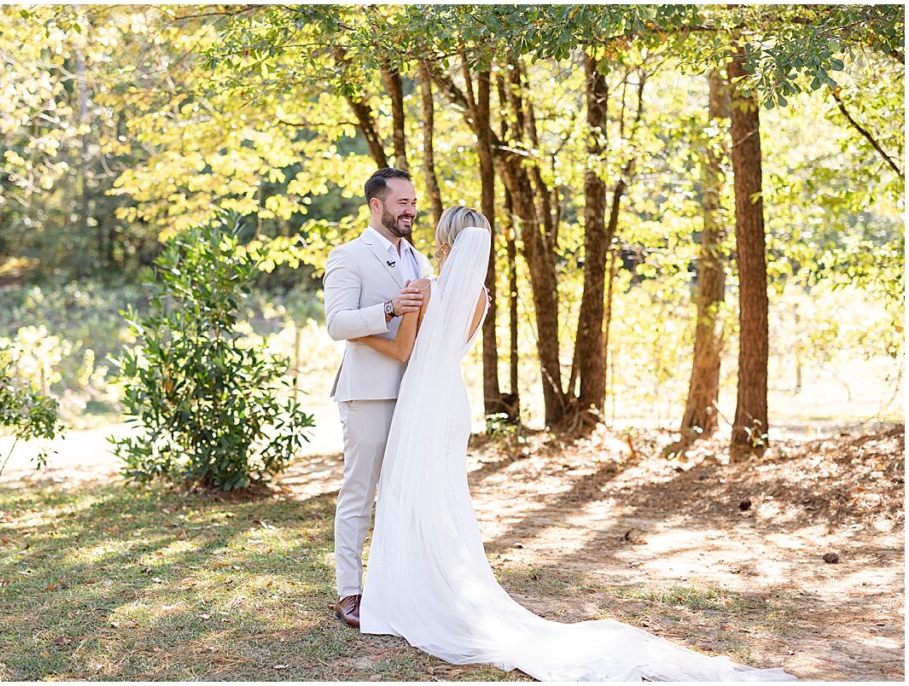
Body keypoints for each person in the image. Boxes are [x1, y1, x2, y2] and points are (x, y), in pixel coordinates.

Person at [353, 206, 797, 682]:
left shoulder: (427, 290)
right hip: (450, 402)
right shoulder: (478, 296)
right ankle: (440, 584)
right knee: (443, 495)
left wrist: (359, 335)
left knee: (411, 492)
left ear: (446, 243)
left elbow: (404, 350)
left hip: (424, 398)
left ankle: (411, 591)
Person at [322, 167, 433, 629]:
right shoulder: (349, 256)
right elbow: (337, 324)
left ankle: (394, 586)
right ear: (376, 205)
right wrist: (389, 308)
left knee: (402, 495)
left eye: (412, 202)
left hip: (414, 392)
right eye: (402, 202)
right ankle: (349, 591)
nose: (411, 210)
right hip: (367, 393)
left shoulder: (420, 261)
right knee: (359, 493)